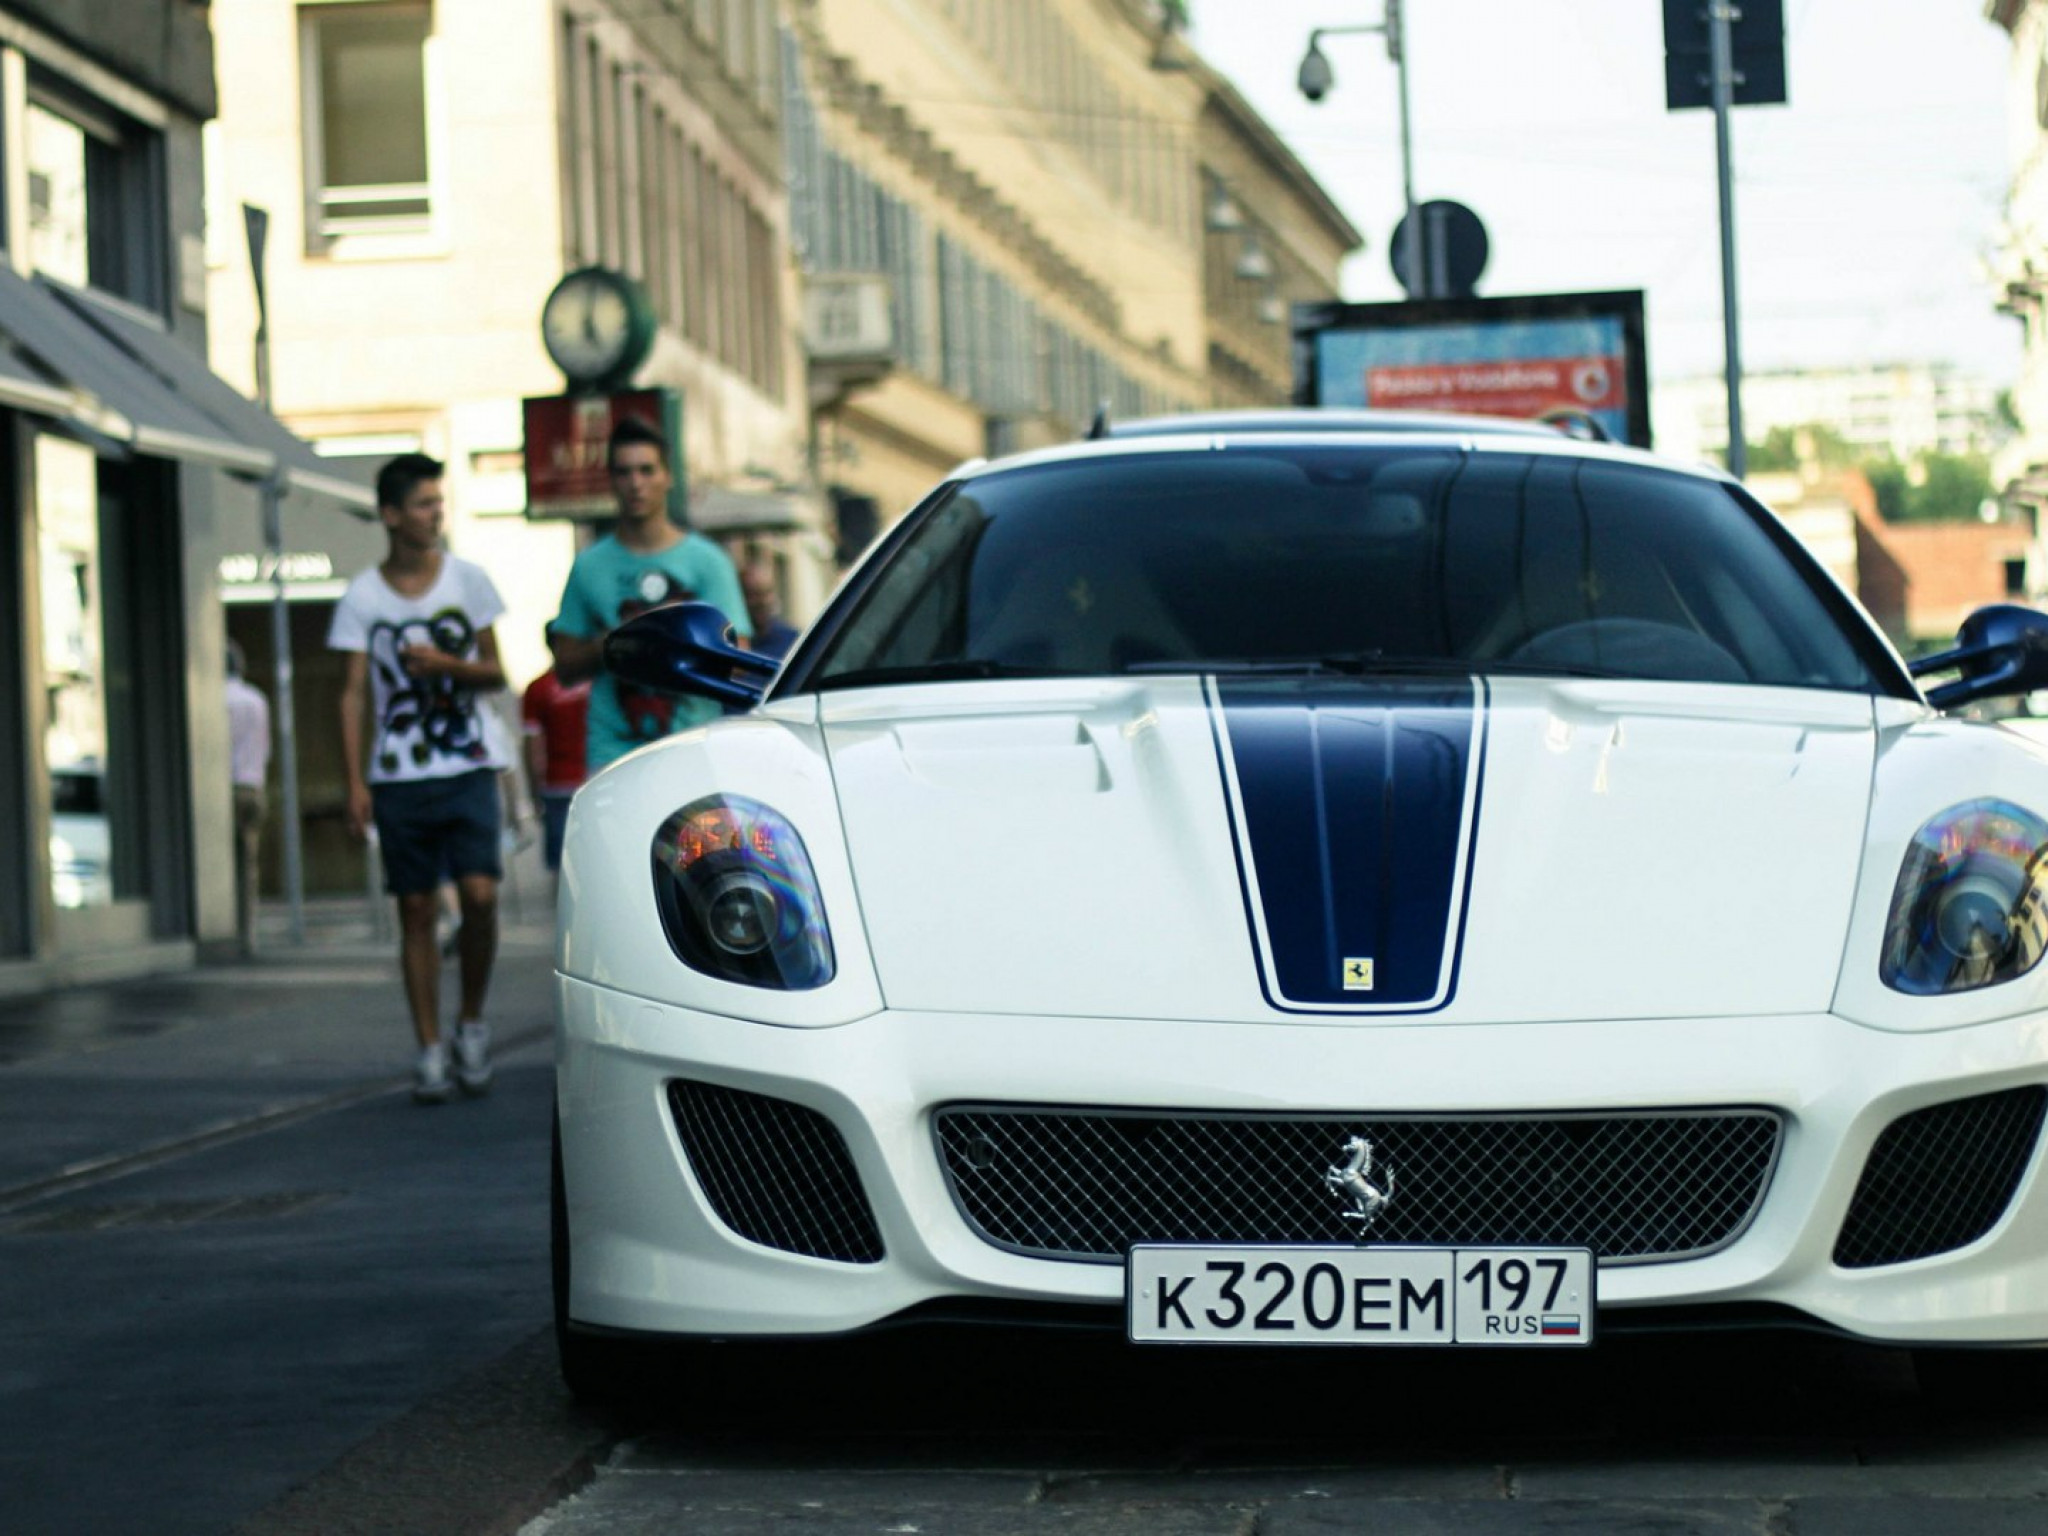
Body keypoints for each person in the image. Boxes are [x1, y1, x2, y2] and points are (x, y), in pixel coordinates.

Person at [329, 452, 511, 1104]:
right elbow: (351, 694)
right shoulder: (363, 596)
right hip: (399, 775)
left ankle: (473, 1023)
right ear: (391, 515)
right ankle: (431, 1047)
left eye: (439, 502)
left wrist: (445, 665)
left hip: (466, 764)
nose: (437, 514)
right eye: (425, 504)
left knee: (481, 897)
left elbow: (497, 673)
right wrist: (355, 783)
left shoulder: (468, 580)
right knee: (414, 908)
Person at [551, 416, 751, 772]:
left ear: (668, 476)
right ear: (611, 481)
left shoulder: (708, 562)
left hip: (694, 745)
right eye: (624, 473)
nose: (636, 484)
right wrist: (618, 640)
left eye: (646, 470)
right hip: (613, 751)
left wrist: (681, 635)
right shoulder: (589, 565)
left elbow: (740, 662)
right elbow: (564, 668)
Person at [521, 624, 589, 884]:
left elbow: (532, 745)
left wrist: (534, 791)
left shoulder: (537, 688)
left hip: (557, 786)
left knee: (562, 867)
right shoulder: (598, 684)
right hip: (592, 778)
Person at [224, 640, 271, 958]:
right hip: (253, 785)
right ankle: (247, 934)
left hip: (225, 787)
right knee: (248, 865)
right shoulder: (256, 699)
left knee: (221, 864)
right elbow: (265, 746)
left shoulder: (215, 700)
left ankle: (225, 931)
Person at [740, 560, 800, 661]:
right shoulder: (734, 644)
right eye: (753, 594)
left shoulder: (793, 641)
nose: (761, 602)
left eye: (766, 593)